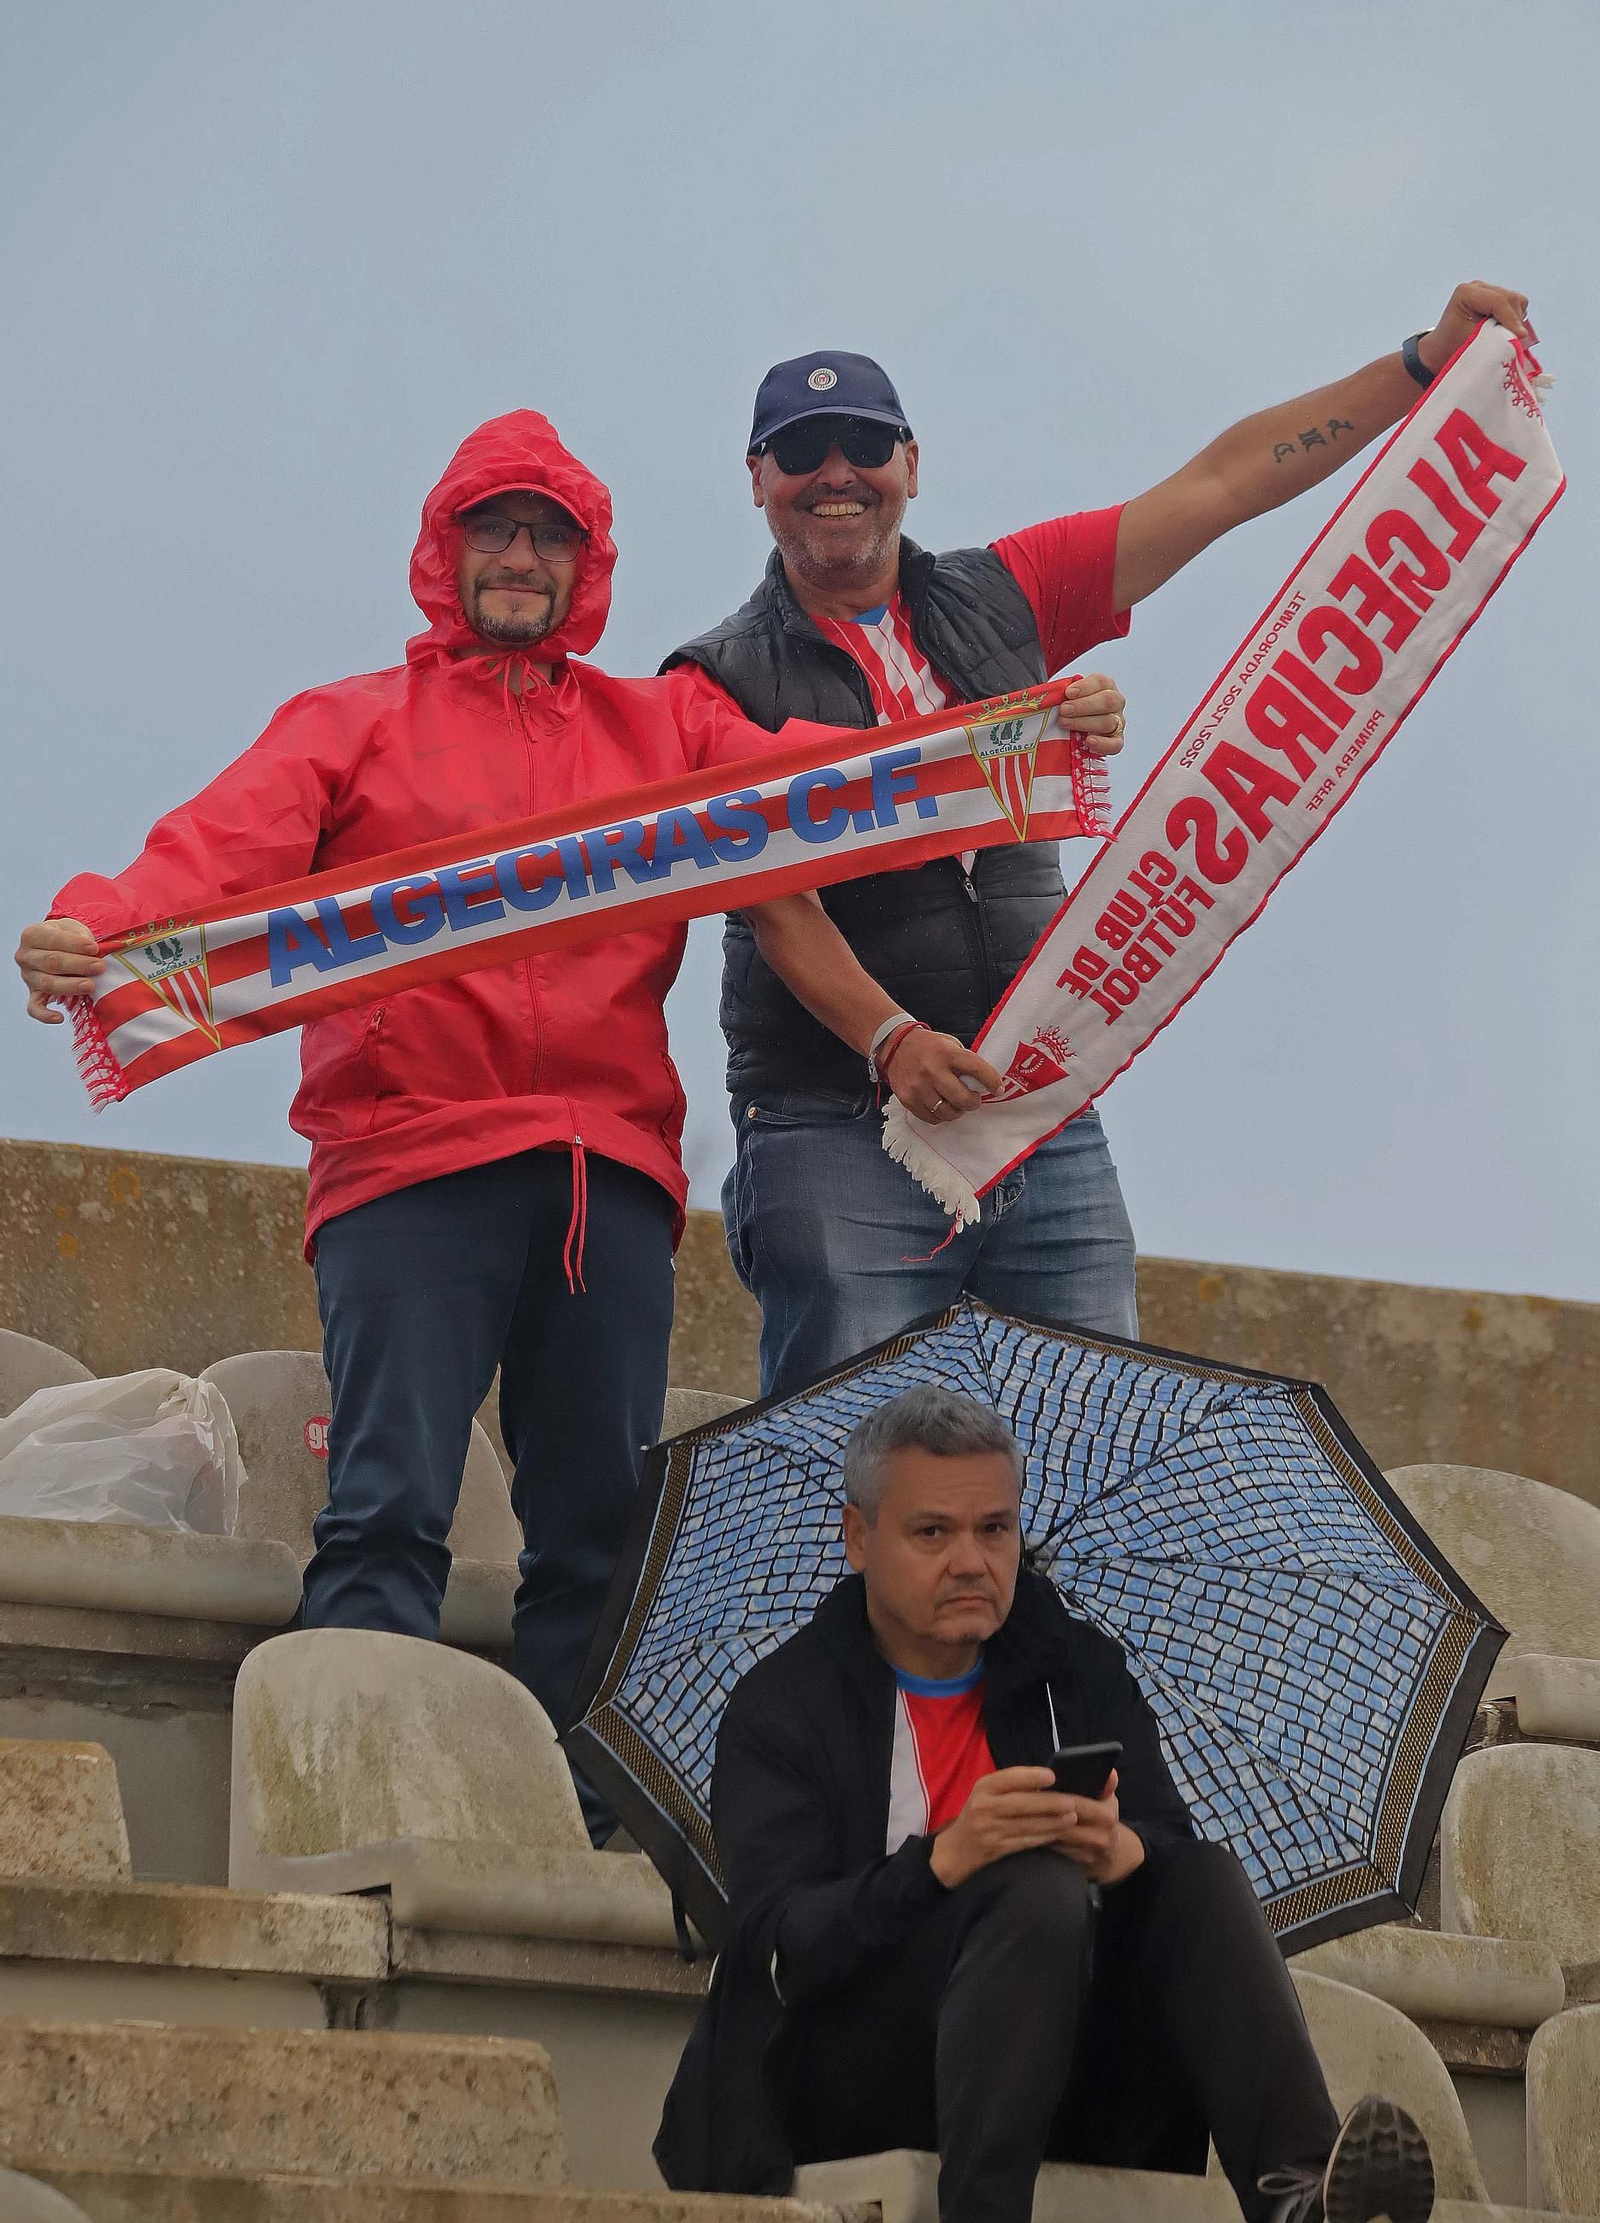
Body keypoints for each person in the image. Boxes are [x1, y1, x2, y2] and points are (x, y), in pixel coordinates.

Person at [12, 410, 850, 1839]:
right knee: (389, 1507)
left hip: (606, 1180)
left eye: (548, 536)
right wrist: (96, 923)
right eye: (493, 530)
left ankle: (595, 1845)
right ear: (443, 551)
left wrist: (1013, 740)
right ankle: (344, 1828)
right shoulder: (352, 722)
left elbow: (836, 777)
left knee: (598, 1534)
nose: (519, 556)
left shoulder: (661, 727)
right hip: (407, 1165)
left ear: (587, 565)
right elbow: (211, 849)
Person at [666, 281, 1532, 1398]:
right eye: (801, 450)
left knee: (1092, 1434)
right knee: (850, 1455)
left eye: (866, 444)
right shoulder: (711, 681)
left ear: (912, 463)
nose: (837, 472)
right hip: (833, 1129)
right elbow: (773, 900)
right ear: (757, 480)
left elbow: (1222, 483)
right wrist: (891, 1041)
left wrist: (1418, 365)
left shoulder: (1009, 594)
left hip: (1039, 1114)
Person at [658, 1384, 1435, 2223]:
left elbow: (1166, 1846)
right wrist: (942, 1862)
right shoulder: (783, 1705)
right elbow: (779, 1949)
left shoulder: (1074, 1668)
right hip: (849, 2078)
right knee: (1031, 1889)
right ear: (858, 1537)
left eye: (995, 1528)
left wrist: (1124, 1853)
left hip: (1059, 2065)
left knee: (1198, 1874)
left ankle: (1300, 2195)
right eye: (932, 1532)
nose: (971, 1561)